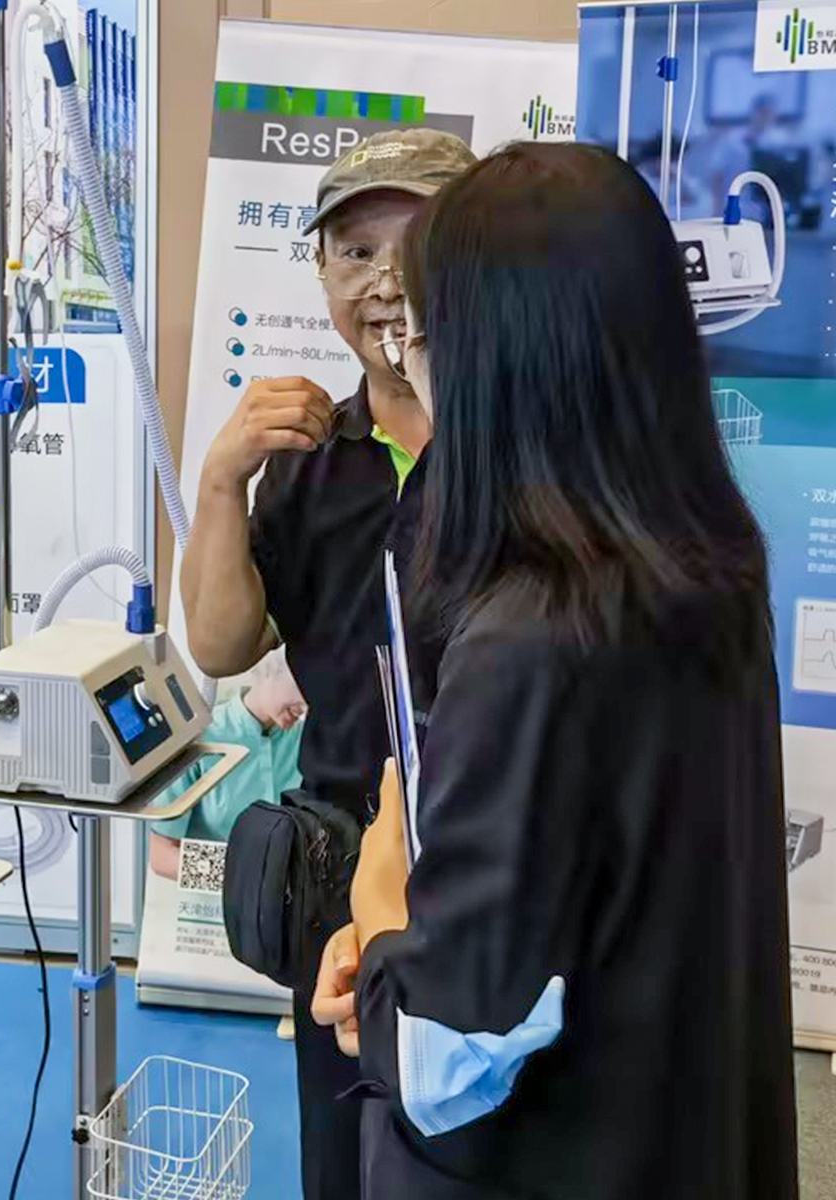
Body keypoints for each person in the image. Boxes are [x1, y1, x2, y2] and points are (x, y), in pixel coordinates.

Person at [311, 141, 798, 1198]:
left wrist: (381, 899)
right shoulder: (706, 568)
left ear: (490, 362)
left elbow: (443, 1061)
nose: (409, 362)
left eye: (421, 335)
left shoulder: (530, 644)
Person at [180, 127, 476, 1200]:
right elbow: (223, 643)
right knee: (346, 1150)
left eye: (419, 246)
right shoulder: (310, 464)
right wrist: (223, 478)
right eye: (354, 252)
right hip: (345, 875)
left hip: (494, 858)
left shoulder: (523, 450)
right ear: (319, 271)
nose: (384, 280)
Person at [147, 654, 306, 881]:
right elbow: (161, 856)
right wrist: (241, 877)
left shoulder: (306, 741)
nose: (305, 705)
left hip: (288, 898)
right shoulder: (200, 739)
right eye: (302, 684)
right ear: (270, 671)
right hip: (212, 897)